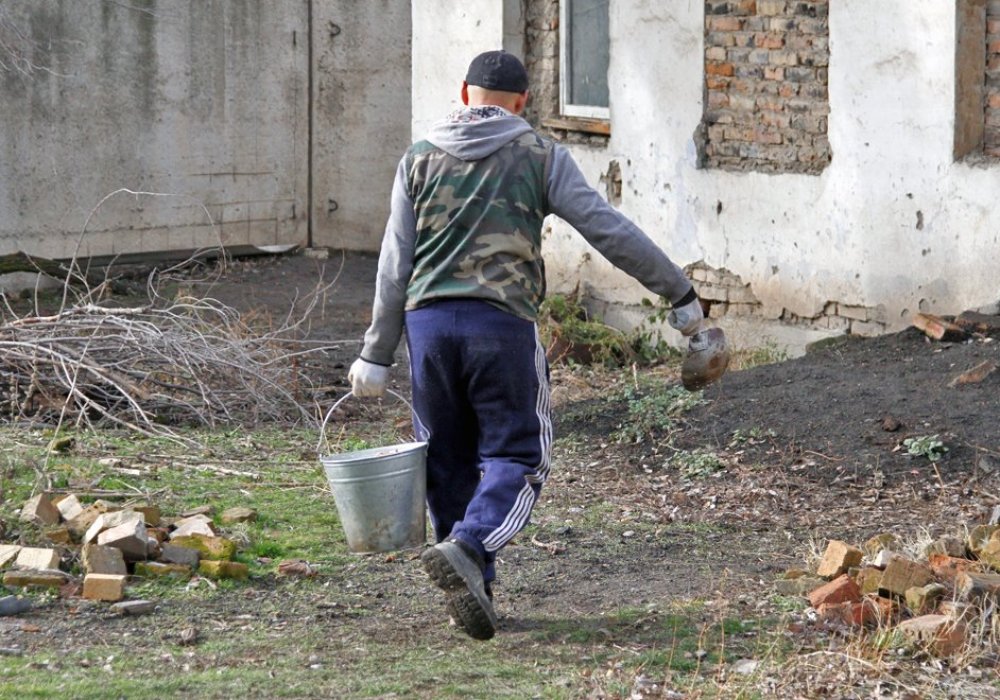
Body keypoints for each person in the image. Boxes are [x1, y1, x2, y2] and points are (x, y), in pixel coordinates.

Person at [347, 50, 704, 640]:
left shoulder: (418, 158)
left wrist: (376, 352)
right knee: (519, 456)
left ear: (464, 94)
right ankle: (469, 544)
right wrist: (679, 292)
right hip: (500, 329)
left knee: (445, 460)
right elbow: (607, 230)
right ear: (522, 103)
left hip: (428, 332)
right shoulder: (539, 154)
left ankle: (474, 587)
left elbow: (394, 265)